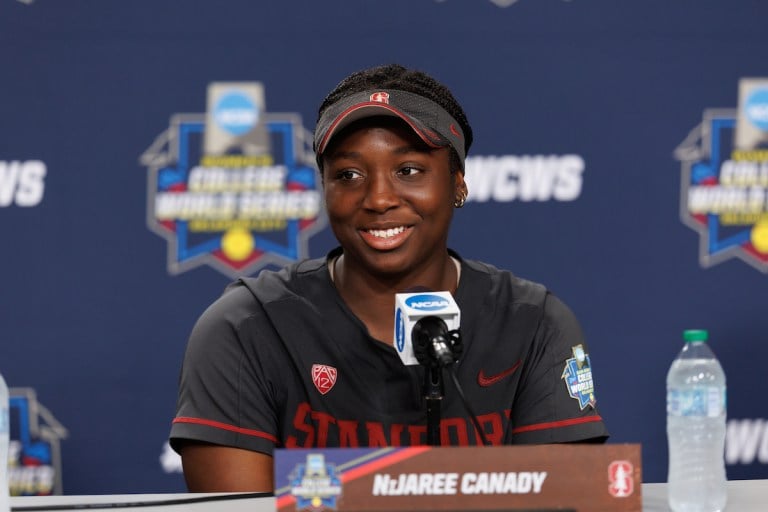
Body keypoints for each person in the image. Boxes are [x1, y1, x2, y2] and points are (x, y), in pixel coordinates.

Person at [169, 63, 609, 492]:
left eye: (409, 170)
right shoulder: (246, 327)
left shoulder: (532, 323)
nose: (378, 198)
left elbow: (565, 502)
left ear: (458, 182)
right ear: (324, 187)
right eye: (349, 175)